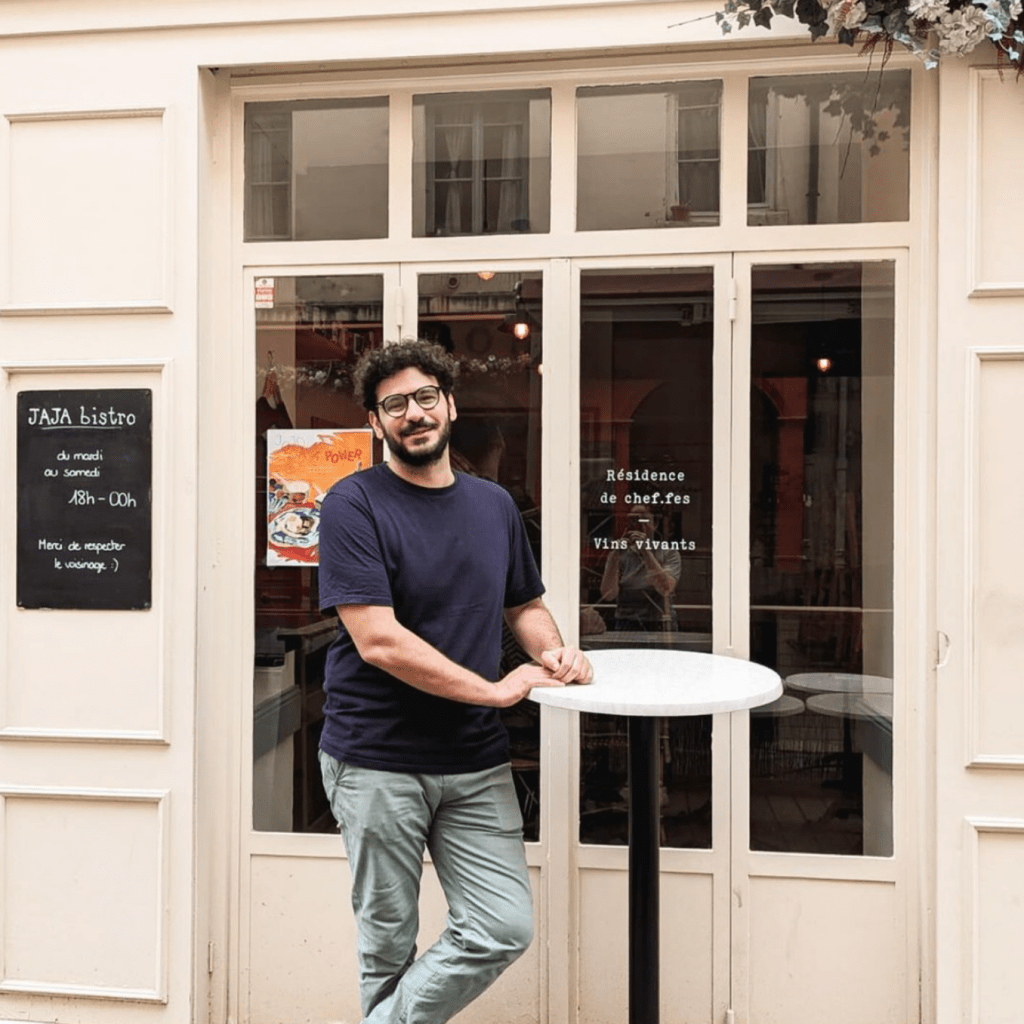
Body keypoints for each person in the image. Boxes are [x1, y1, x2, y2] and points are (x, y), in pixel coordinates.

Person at [317, 340, 592, 1024]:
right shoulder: (353, 505)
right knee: (387, 944)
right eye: (394, 405)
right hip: (377, 758)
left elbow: (523, 605)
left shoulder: (493, 505)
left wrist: (556, 653)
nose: (413, 414)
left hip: (472, 760)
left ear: (450, 405)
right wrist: (497, 691)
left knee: (502, 925)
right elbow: (377, 640)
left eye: (424, 398)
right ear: (376, 424)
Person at [599, 504, 681, 632]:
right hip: (627, 622)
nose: (637, 525)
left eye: (643, 520)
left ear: (655, 524)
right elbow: (608, 595)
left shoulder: (668, 553)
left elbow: (665, 588)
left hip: (658, 621)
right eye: (633, 520)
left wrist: (645, 552)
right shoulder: (620, 554)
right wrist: (614, 558)